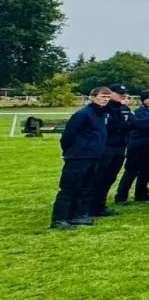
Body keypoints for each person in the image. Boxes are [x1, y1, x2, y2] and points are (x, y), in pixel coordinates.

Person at [50, 87, 110, 229]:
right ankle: (59, 219)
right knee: (69, 188)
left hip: (94, 156)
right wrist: (70, 152)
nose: (106, 99)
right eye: (103, 96)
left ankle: (78, 215)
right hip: (78, 156)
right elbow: (68, 135)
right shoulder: (83, 114)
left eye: (108, 97)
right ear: (93, 97)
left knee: (86, 187)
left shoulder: (102, 114)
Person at [88, 85, 131, 218]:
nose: (123, 96)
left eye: (124, 94)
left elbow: (133, 123)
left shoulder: (124, 108)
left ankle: (100, 205)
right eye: (119, 93)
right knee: (98, 177)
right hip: (106, 146)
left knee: (110, 178)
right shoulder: (103, 109)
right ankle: (90, 206)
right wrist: (126, 126)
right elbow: (113, 126)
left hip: (120, 146)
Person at [116, 90, 149, 205]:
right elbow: (142, 125)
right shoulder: (138, 112)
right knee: (131, 172)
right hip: (138, 147)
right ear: (143, 99)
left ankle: (141, 193)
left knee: (148, 172)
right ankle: (121, 197)